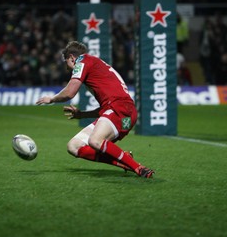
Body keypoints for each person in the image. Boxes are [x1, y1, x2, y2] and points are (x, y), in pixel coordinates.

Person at [36, 41, 154, 178]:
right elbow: (105, 109)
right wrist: (82, 114)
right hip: (120, 111)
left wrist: (51, 99)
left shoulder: (82, 60)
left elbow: (70, 92)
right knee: (74, 146)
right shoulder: (95, 67)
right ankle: (123, 160)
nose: (68, 68)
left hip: (121, 109)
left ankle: (139, 168)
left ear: (72, 57)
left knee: (95, 141)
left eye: (66, 62)